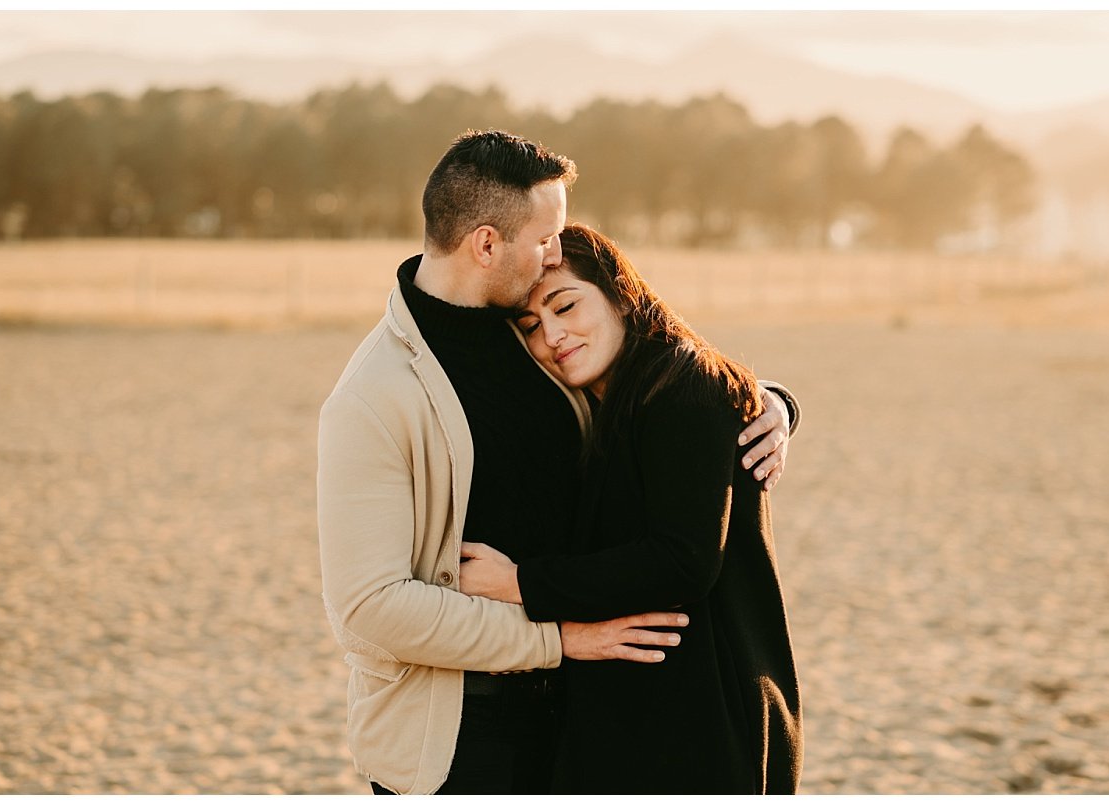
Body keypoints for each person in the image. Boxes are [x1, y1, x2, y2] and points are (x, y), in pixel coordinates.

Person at [317, 129, 798, 795]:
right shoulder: (372, 396)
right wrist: (557, 637)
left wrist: (765, 402)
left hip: (587, 725)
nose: (555, 254)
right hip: (453, 742)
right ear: (487, 244)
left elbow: (657, 389)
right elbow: (371, 609)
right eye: (546, 238)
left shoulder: (537, 336)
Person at [458, 222, 802, 793]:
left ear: (620, 292)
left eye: (566, 306)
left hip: (704, 722)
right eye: (533, 327)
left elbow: (684, 560)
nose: (554, 336)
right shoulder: (612, 400)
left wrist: (519, 582)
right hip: (646, 718)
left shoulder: (682, 383)